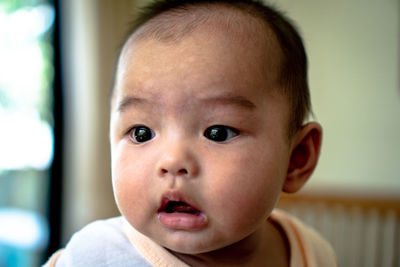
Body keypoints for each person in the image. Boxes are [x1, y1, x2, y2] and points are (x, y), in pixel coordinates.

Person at [45, 0, 337, 266]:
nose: (172, 161)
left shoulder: (312, 252)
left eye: (218, 132)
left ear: (297, 158)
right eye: (142, 133)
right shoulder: (95, 256)